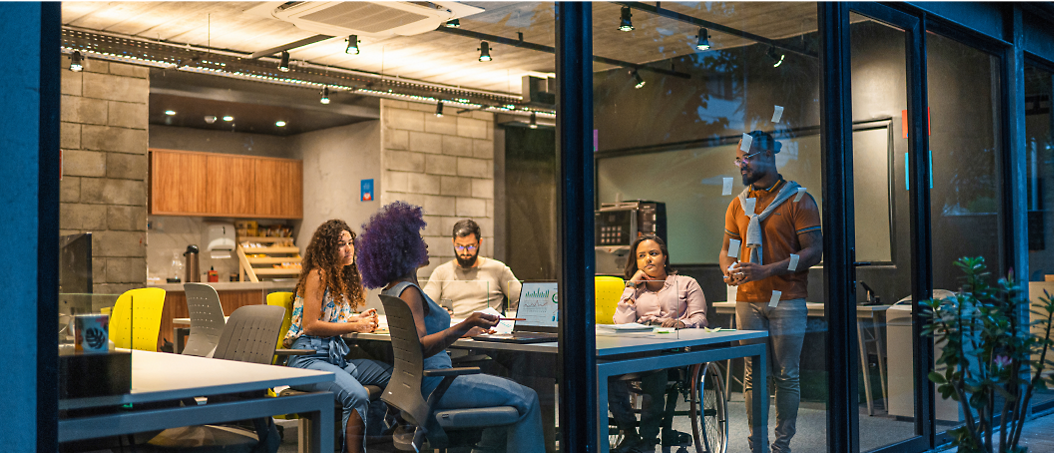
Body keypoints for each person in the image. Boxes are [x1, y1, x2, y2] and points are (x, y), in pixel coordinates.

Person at [356, 202, 545, 453]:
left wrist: (464, 330)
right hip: (438, 385)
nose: (424, 244)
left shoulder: (395, 288)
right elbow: (420, 346)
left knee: (509, 398)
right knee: (528, 398)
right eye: (418, 239)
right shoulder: (409, 292)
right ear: (404, 249)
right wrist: (466, 322)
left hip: (419, 387)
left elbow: (419, 337)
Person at [719, 130, 823, 453]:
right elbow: (728, 250)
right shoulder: (738, 205)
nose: (741, 165)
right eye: (738, 158)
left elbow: (814, 252)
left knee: (786, 375)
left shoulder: (798, 199)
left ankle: (782, 446)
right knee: (752, 375)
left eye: (746, 158)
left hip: (787, 299)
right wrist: (728, 270)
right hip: (747, 300)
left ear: (768, 156)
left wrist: (768, 269)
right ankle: (757, 446)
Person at [283, 219, 392, 453]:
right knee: (357, 396)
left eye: (350, 243)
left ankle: (383, 440)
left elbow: (332, 319)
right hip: (307, 359)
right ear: (327, 249)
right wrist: (354, 327)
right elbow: (311, 325)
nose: (348, 249)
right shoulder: (318, 274)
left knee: (394, 377)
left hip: (334, 358)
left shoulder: (337, 276)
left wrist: (357, 319)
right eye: (341, 245)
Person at [609, 234, 708, 453]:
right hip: (640, 351)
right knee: (606, 371)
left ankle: (648, 440)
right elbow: (622, 322)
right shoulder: (636, 289)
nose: (648, 259)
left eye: (653, 253)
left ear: (665, 257)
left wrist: (680, 322)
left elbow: (700, 319)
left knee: (654, 367)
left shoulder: (686, 283)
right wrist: (632, 285)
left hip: (676, 351)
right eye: (641, 256)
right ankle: (629, 434)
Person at [423, 219, 522, 318]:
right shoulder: (441, 272)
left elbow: (524, 300)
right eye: (460, 247)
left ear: (480, 242)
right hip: (455, 330)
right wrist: (438, 311)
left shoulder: (498, 269)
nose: (465, 253)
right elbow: (424, 305)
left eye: (470, 247)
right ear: (453, 242)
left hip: (489, 329)